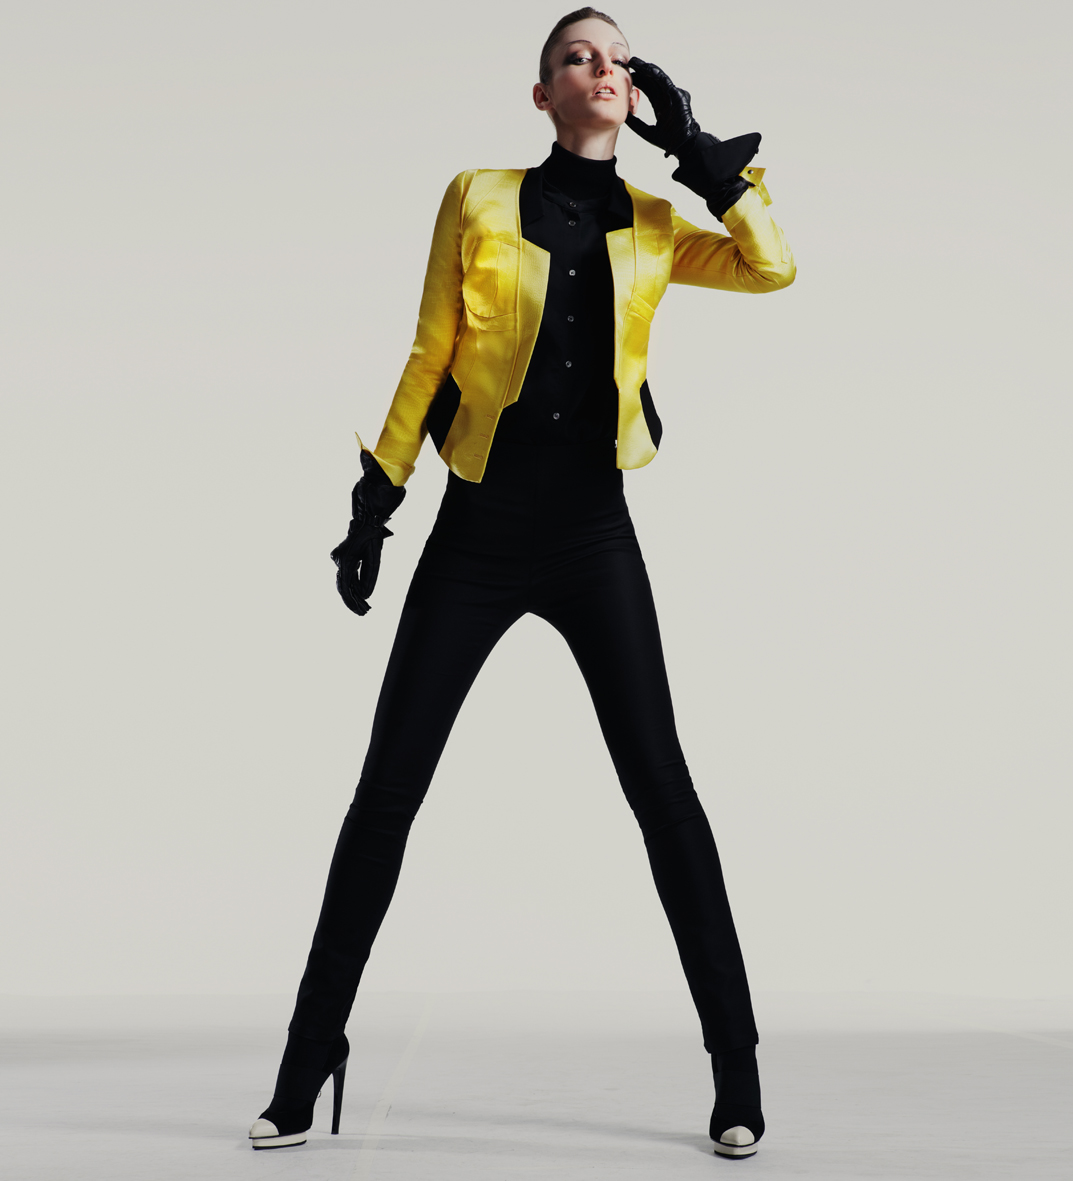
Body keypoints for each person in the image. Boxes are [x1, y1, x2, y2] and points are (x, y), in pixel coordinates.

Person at [248, 6, 795, 1160]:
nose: (599, 69)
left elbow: (771, 266)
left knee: (664, 793)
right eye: (574, 58)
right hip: (477, 533)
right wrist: (374, 502)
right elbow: (430, 350)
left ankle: (736, 1075)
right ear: (541, 94)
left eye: (616, 59)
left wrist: (696, 154)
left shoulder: (655, 221)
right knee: (384, 795)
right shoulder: (477, 198)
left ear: (633, 91)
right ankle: (305, 1058)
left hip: (593, 533)